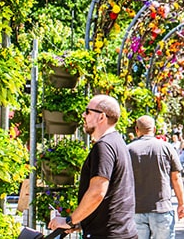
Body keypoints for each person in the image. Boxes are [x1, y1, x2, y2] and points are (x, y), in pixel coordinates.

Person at [48, 94, 137, 238]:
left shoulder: (104, 146)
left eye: (88, 111)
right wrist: (79, 223)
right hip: (119, 232)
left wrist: (70, 221)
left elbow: (97, 192)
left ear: (102, 117)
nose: (84, 115)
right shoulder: (117, 142)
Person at [128, 115, 184, 239]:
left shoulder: (128, 149)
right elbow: (176, 178)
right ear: (154, 129)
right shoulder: (167, 148)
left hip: (136, 209)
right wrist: (181, 203)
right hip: (162, 209)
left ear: (136, 130)